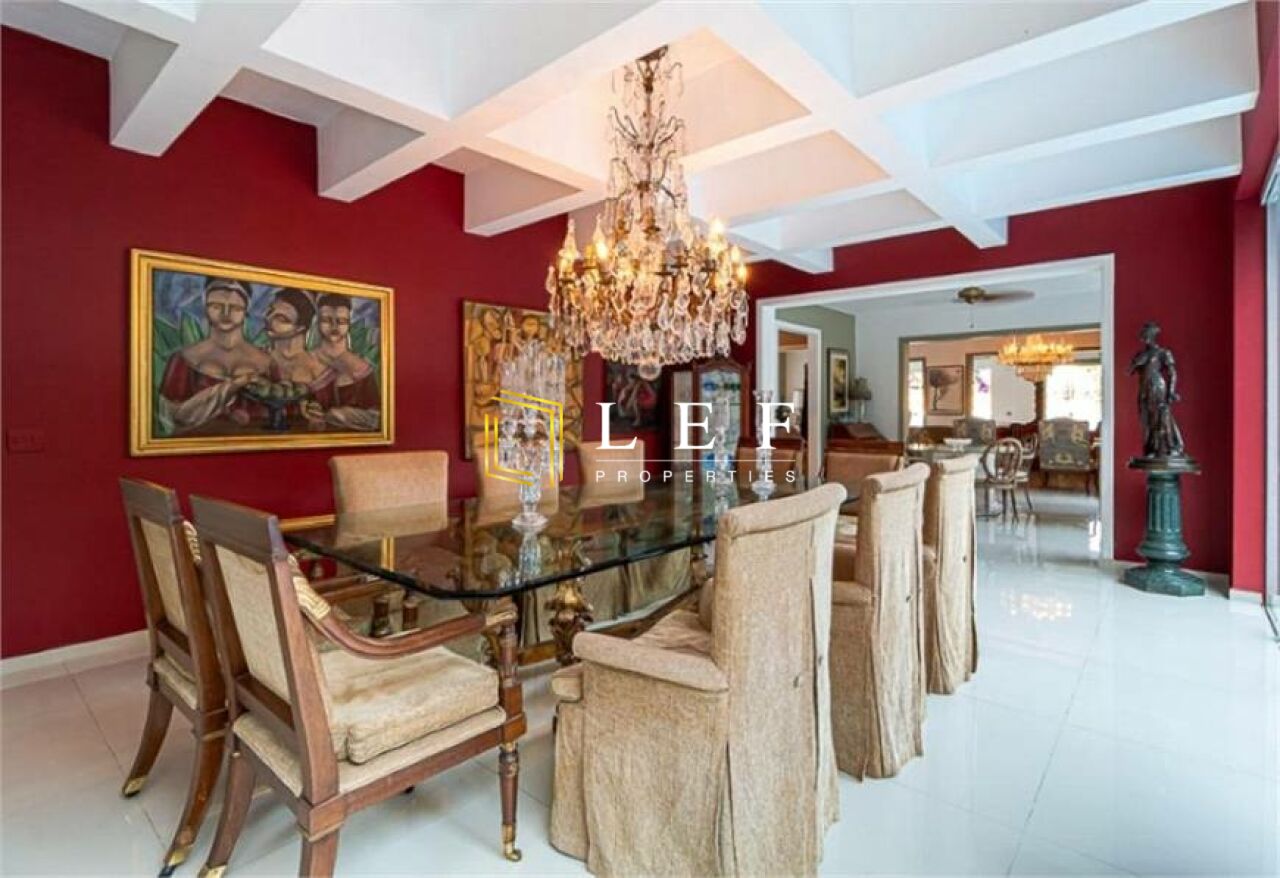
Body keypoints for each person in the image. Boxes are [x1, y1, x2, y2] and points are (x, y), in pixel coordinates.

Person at [158, 278, 270, 433]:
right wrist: (235, 385)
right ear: (206, 309)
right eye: (216, 306)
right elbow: (175, 416)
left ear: (246, 311)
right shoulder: (183, 359)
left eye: (235, 308)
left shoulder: (268, 361)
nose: (226, 314)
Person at [302, 293, 381, 431]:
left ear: (349, 324)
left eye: (342, 321)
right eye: (327, 320)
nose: (334, 326)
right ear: (318, 323)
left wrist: (339, 415)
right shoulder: (305, 361)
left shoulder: (362, 367)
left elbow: (377, 416)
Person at [1127, 321, 1185, 458]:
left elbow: (1172, 373)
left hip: (1157, 386)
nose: (1144, 338)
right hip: (1144, 389)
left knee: (1161, 417)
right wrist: (1136, 363)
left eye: (1147, 334)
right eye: (1143, 335)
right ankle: (1151, 448)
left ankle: (1171, 446)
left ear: (1153, 335)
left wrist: (1171, 391)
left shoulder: (1162, 353)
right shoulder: (1141, 354)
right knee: (1146, 420)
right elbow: (1129, 371)